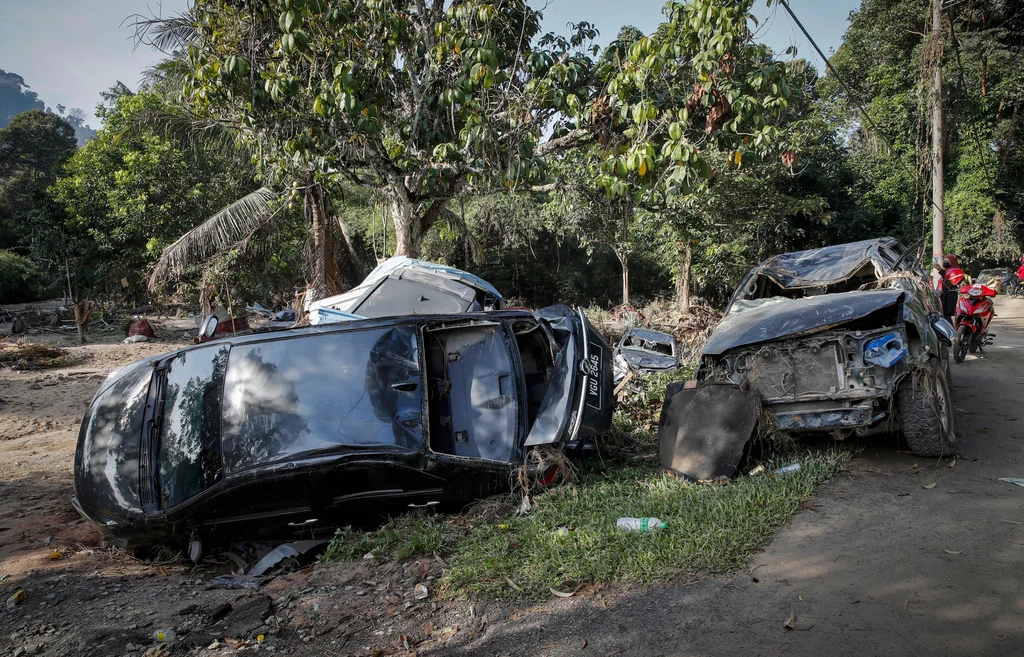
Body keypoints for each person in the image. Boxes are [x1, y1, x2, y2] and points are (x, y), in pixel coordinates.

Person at [935, 256, 964, 324]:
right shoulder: (946, 270)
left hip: (949, 296)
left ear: (952, 262)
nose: (945, 263)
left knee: (946, 315)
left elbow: (949, 280)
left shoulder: (956, 272)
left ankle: (950, 332)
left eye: (947, 261)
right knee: (942, 314)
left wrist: (940, 270)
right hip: (943, 295)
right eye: (944, 261)